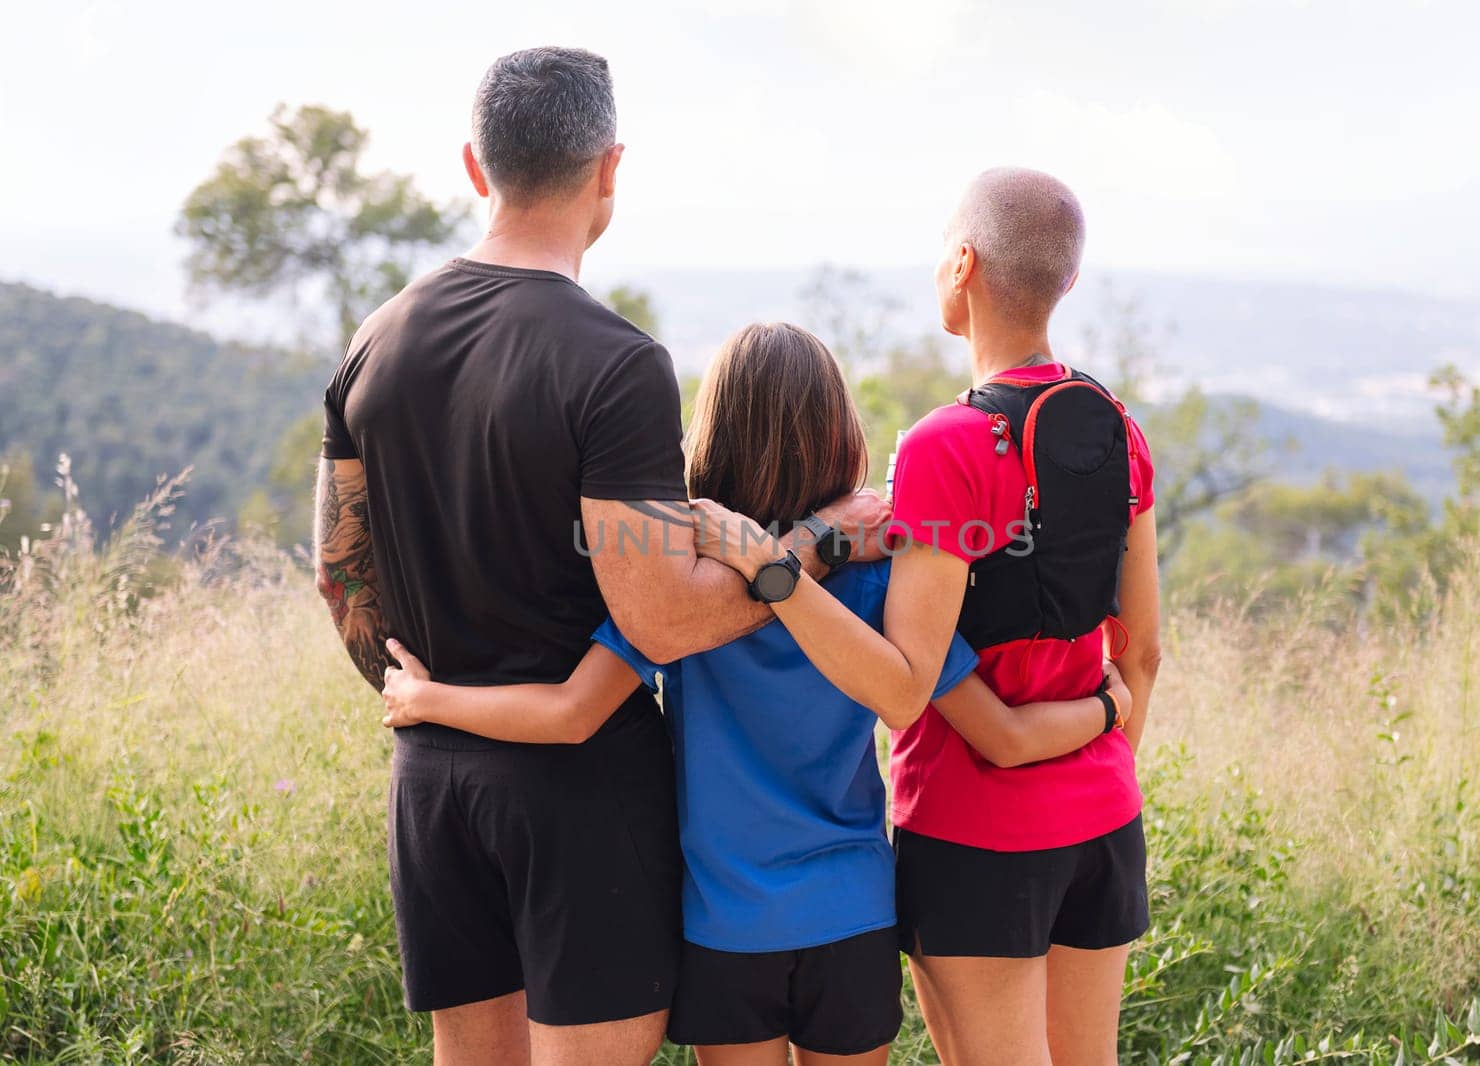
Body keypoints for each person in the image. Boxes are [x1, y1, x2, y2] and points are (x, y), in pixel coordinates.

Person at [312, 49, 884, 1066]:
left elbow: (338, 570)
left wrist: (422, 693)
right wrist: (813, 544)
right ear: (609, 168)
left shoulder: (376, 340)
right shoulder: (612, 363)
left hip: (432, 778)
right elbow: (664, 619)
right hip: (577, 797)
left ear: (475, 166)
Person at [378, 321, 1135, 1066]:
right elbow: (997, 728)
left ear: (711, 435)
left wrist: (427, 701)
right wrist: (1108, 705)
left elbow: (573, 712)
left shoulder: (682, 599)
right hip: (853, 911)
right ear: (839, 433)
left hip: (726, 925)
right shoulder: (876, 584)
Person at [696, 168, 1161, 1066]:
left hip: (976, 832)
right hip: (1104, 815)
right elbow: (1140, 650)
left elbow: (907, 687)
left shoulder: (944, 445)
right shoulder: (1119, 428)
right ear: (1066, 281)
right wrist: (1101, 750)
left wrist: (780, 570)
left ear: (963, 263)